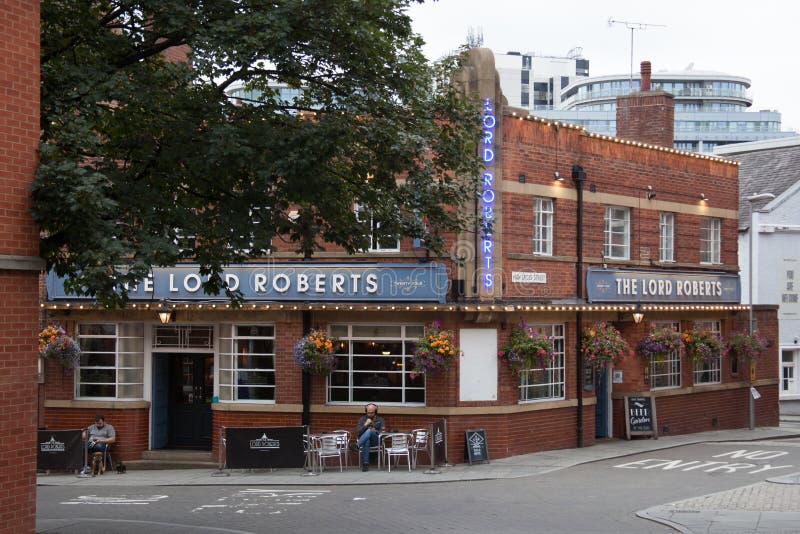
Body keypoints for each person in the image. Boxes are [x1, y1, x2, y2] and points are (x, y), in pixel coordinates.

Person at [354, 403, 384, 472]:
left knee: (369, 431)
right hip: (365, 441)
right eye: (368, 413)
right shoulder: (362, 419)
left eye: (372, 413)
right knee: (366, 440)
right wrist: (365, 425)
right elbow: (358, 433)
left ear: (375, 412)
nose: (370, 414)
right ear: (366, 412)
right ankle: (365, 464)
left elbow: (383, 433)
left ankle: (357, 445)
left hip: (376, 441)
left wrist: (375, 431)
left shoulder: (380, 420)